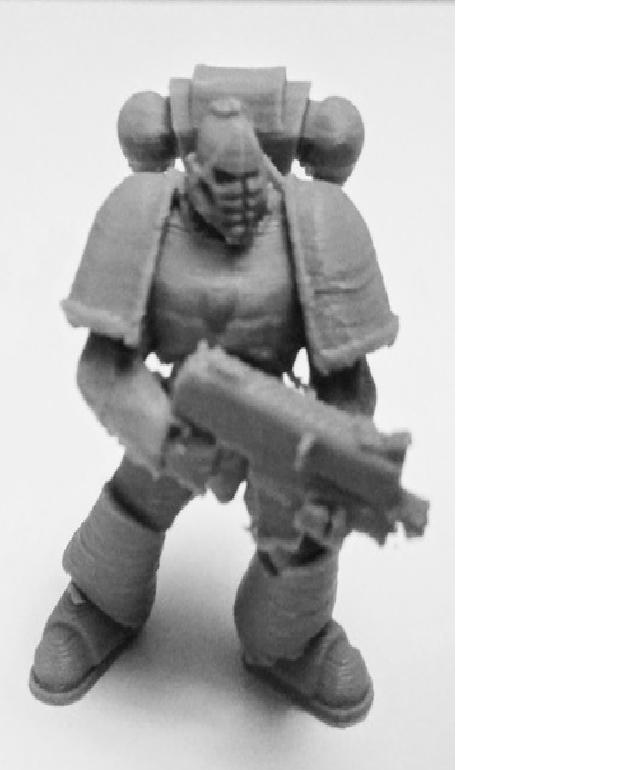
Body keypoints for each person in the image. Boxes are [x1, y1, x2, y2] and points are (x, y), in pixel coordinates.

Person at [29, 97, 399, 727]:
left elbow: (347, 378)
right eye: (221, 183)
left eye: (252, 183)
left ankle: (292, 640)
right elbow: (103, 366)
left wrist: (331, 447)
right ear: (191, 173)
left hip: (280, 419)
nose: (239, 201)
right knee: (135, 502)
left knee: (304, 534)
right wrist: (163, 435)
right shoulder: (144, 213)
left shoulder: (316, 220)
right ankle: (100, 604)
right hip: (182, 413)